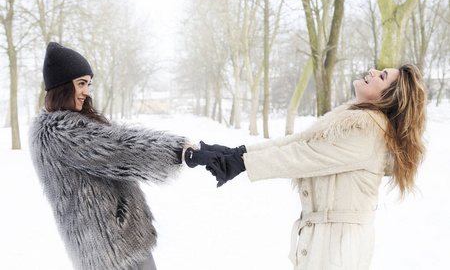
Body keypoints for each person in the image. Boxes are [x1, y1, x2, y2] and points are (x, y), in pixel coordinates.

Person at [185, 64, 427, 269]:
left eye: (382, 77)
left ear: (389, 97)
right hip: (327, 239)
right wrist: (237, 153)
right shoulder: (350, 120)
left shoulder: (367, 130)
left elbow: (302, 155)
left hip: (339, 246)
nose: (373, 71)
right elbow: (298, 141)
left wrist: (239, 163)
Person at [29, 42, 192, 270]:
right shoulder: (58, 133)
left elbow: (117, 136)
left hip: (120, 243)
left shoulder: (75, 124)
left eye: (89, 84)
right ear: (62, 86)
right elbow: (119, 147)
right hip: (110, 251)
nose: (87, 92)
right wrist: (177, 151)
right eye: (81, 84)